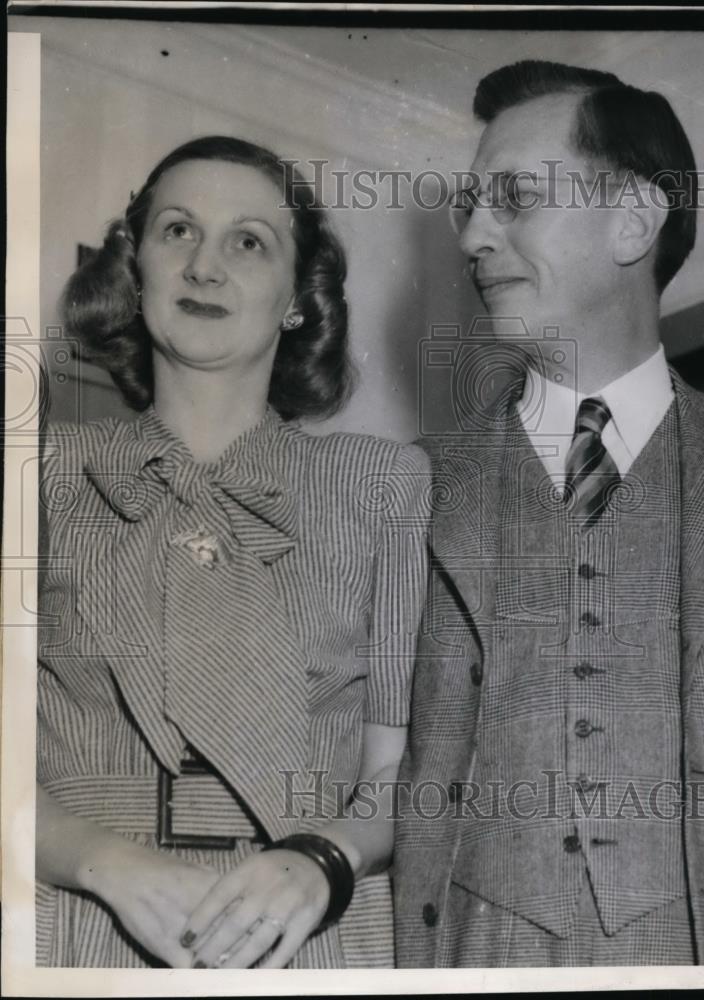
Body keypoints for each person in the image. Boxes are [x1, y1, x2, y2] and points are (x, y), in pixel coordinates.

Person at [36, 135, 429, 969]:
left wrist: (323, 860)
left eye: (248, 241)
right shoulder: (36, 478)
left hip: (309, 929)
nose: (204, 268)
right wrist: (103, 863)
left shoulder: (384, 484)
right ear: (135, 268)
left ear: (297, 296)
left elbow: (403, 772)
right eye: (177, 232)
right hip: (83, 923)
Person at [394, 60, 704, 966]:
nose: (472, 236)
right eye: (467, 207)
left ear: (633, 219)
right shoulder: (410, 485)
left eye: (511, 197)